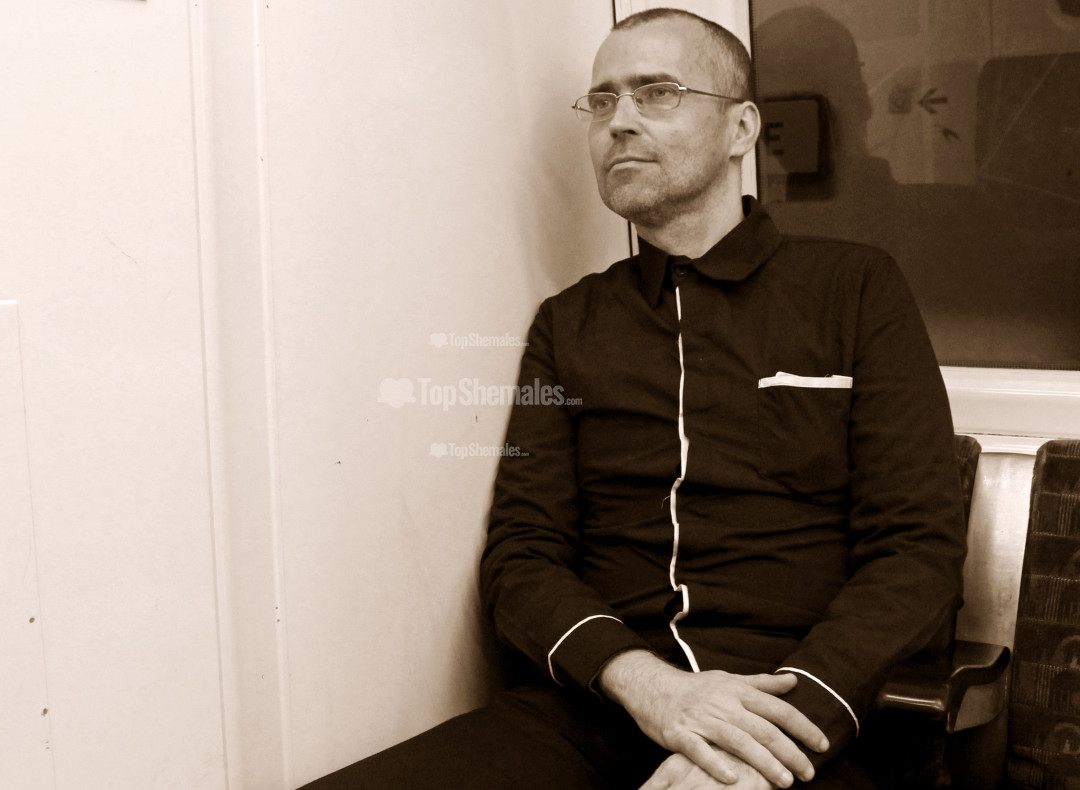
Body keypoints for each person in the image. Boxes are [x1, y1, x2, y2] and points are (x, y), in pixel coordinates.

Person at [300, 8, 966, 789]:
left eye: (657, 92)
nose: (619, 121)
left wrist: (769, 735)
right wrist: (648, 687)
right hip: (600, 707)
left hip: (798, 715)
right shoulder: (569, 323)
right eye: (602, 100)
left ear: (742, 129)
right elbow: (522, 556)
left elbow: (916, 551)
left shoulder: (853, 289)